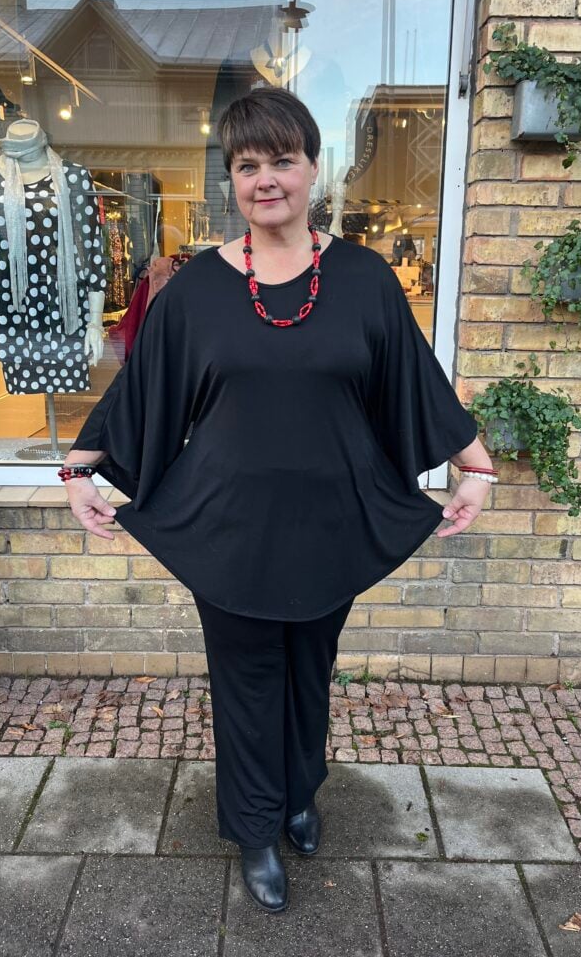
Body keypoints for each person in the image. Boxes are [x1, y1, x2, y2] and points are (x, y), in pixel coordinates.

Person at [61, 87, 496, 914]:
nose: (266, 179)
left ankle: (300, 792)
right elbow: (144, 392)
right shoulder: (196, 290)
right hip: (228, 529)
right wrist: (80, 471)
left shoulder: (364, 279)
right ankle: (257, 828)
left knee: (309, 670)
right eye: (248, 164)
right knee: (248, 679)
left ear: (313, 169)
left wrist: (476, 467)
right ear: (232, 178)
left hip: (333, 524)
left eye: (282, 161)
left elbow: (413, 382)